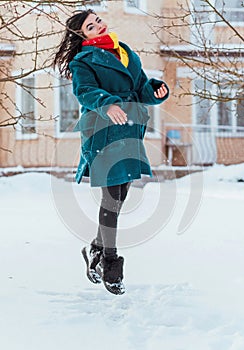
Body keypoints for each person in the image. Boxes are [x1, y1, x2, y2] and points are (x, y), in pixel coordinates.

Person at [53, 9, 169, 295]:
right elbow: (84, 91)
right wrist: (108, 103)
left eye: (98, 20)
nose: (99, 26)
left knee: (121, 195)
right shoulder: (83, 60)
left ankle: (94, 248)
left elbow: (140, 87)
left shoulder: (124, 51)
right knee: (112, 197)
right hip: (103, 131)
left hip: (129, 129)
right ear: (83, 35)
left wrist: (154, 90)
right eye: (91, 26)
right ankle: (110, 262)